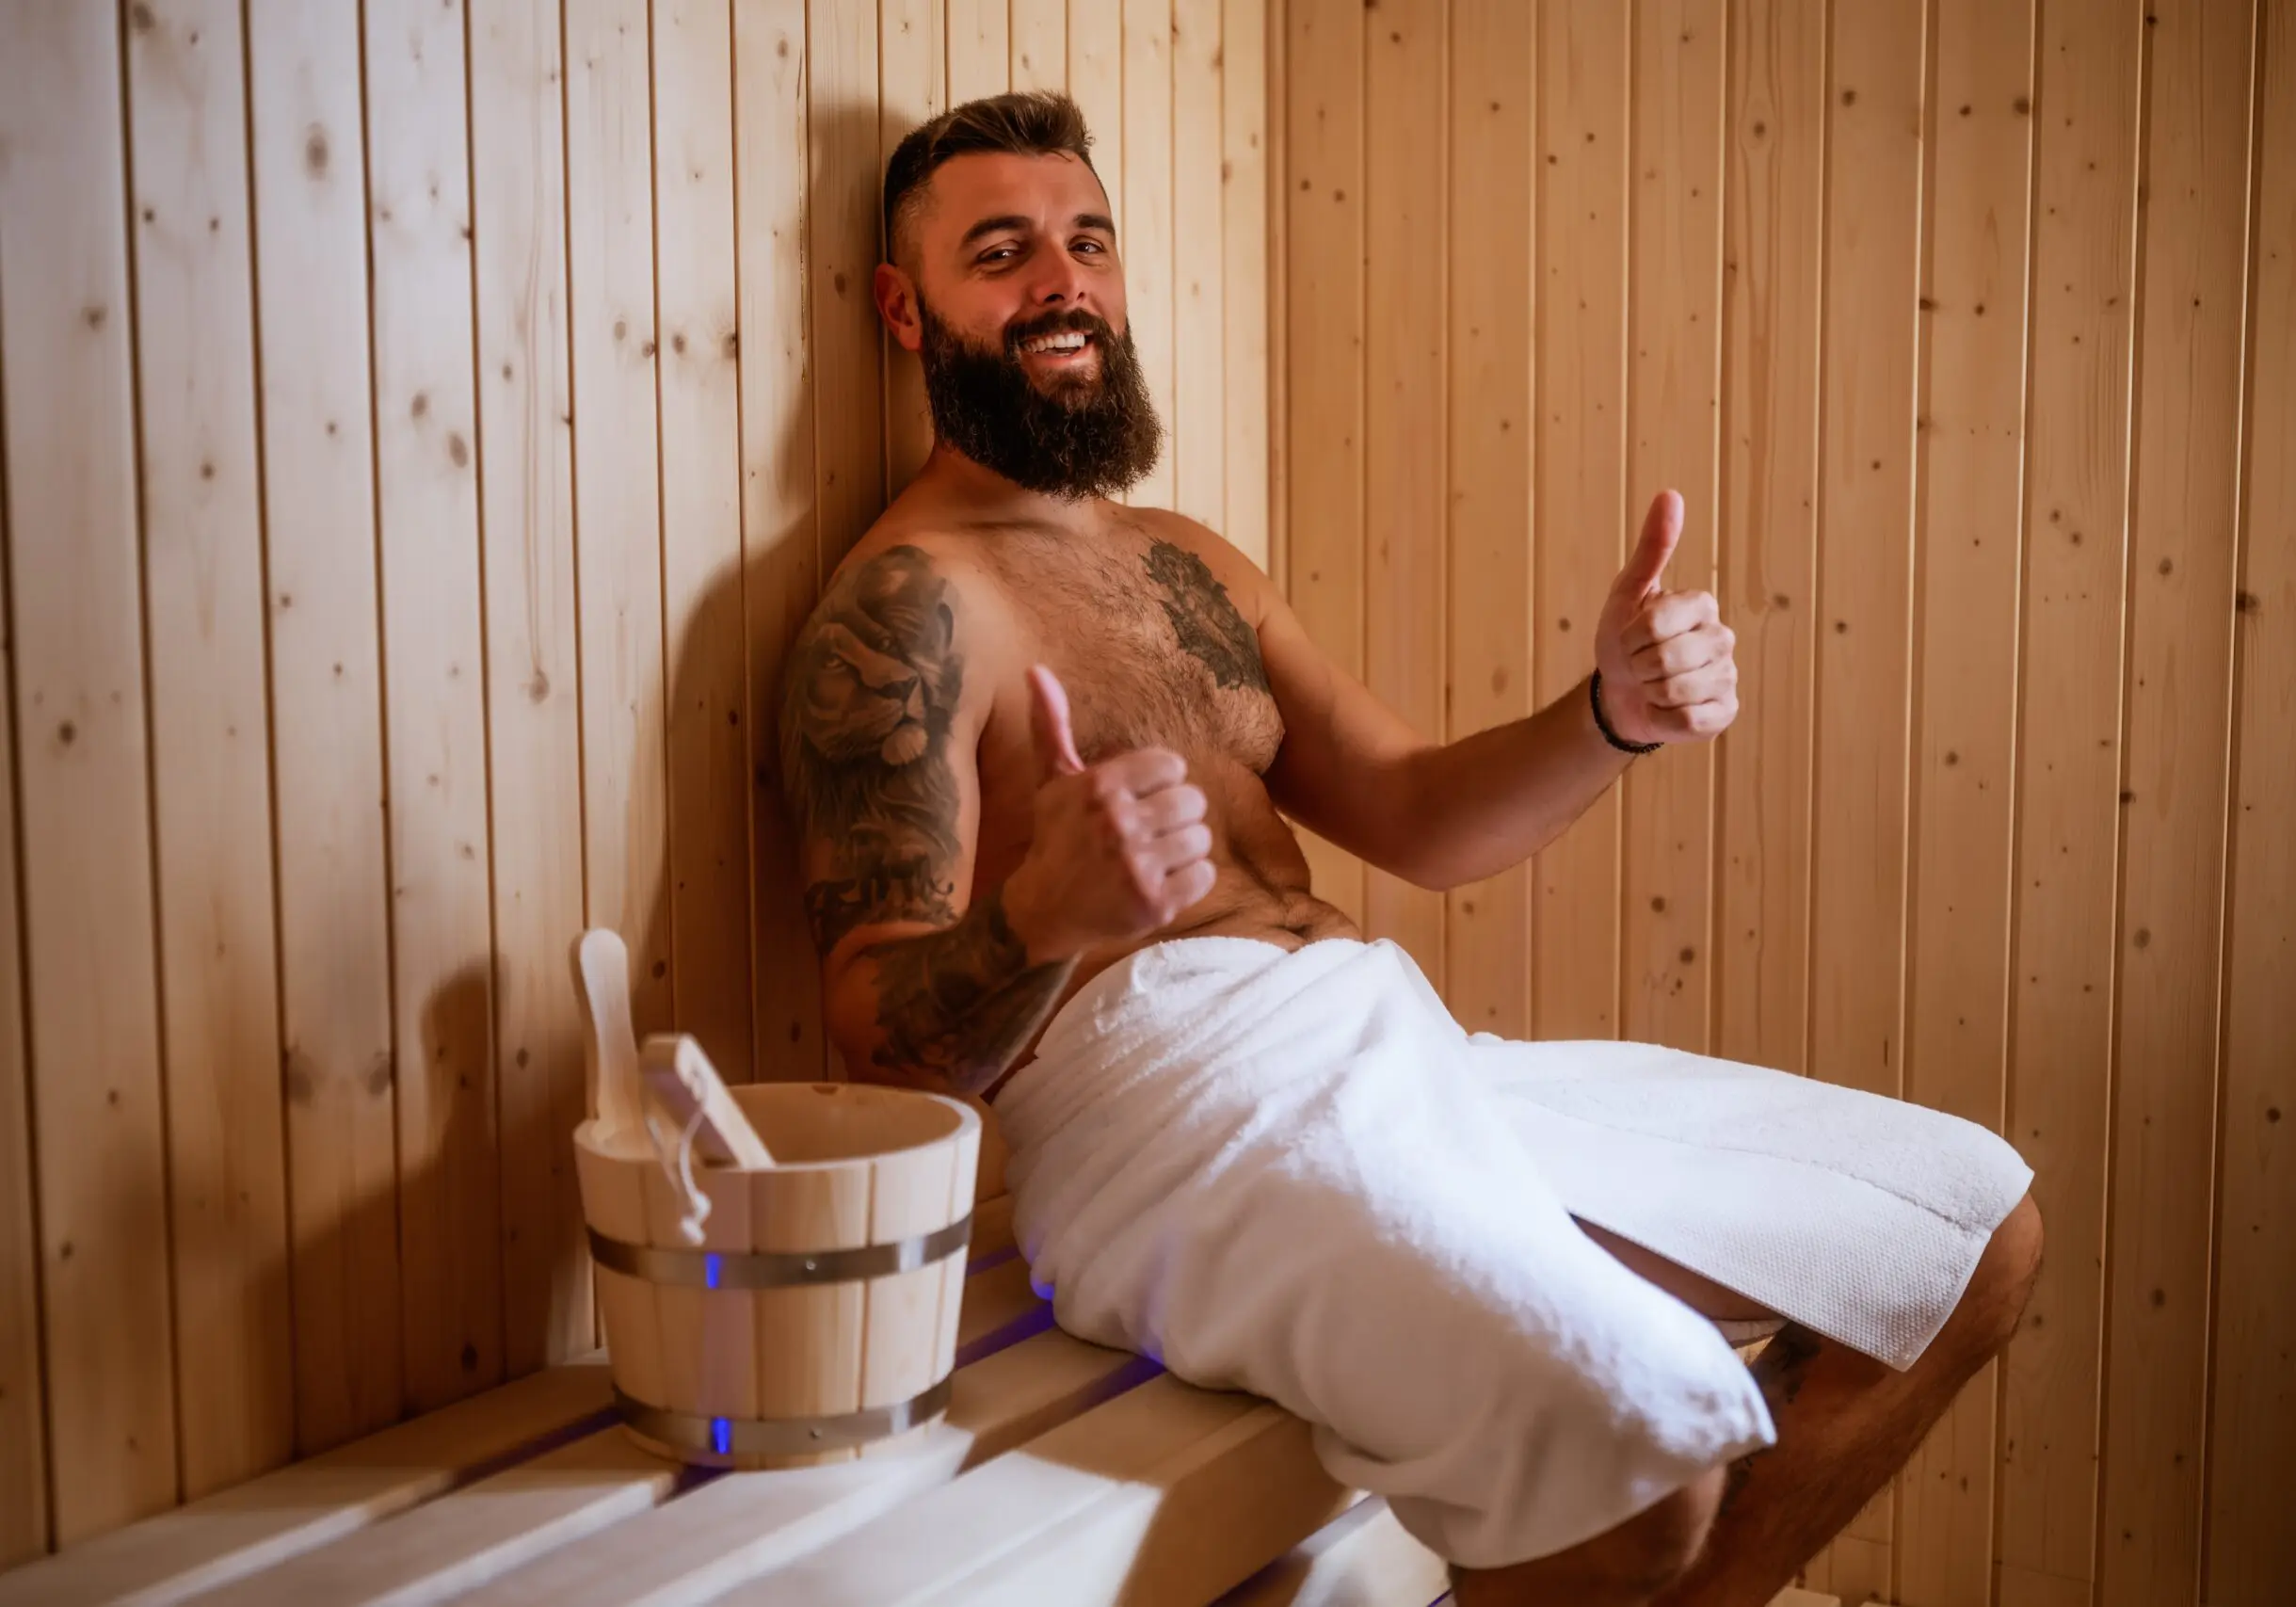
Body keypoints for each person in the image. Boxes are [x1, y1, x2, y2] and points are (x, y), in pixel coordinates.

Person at [778, 90, 2041, 1607]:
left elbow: (1420, 814)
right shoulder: (906, 605)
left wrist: (1611, 716)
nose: (1063, 281)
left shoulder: (1185, 562)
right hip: (1175, 1121)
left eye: (1087, 242)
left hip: (1395, 1049)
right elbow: (873, 1033)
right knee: (1644, 1448)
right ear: (903, 308)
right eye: (1002, 253)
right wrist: (1042, 916)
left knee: (1968, 1229)